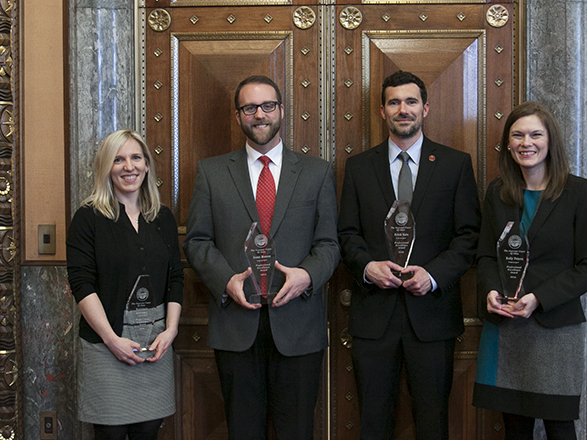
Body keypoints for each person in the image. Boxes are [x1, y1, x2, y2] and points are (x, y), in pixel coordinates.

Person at [183, 75, 340, 440]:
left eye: (268, 106)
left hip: (298, 325)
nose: (260, 115)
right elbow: (197, 241)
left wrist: (307, 276)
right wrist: (226, 280)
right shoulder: (211, 172)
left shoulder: (317, 173)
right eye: (250, 108)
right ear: (238, 116)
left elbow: (330, 244)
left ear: (281, 111)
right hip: (237, 325)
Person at [337, 70, 481, 439]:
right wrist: (368, 267)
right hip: (374, 317)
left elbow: (469, 236)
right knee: (373, 421)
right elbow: (347, 234)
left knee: (433, 422)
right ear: (382, 112)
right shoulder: (358, 167)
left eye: (411, 101)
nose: (403, 109)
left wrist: (432, 276)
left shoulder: (455, 164)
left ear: (425, 108)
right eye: (394, 102)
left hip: (431, 318)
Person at [471, 101, 587, 440]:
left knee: (559, 427)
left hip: (554, 328)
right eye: (517, 135)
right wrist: (490, 290)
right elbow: (485, 257)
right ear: (508, 143)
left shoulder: (578, 192)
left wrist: (539, 298)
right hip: (507, 327)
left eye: (535, 134)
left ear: (550, 142)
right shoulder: (497, 193)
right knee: (515, 429)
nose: (525, 143)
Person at [66, 129, 183, 440]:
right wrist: (111, 339)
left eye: (135, 158)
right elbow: (81, 284)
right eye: (118, 160)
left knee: (148, 432)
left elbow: (175, 278)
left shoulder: (163, 218)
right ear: (106, 167)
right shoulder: (87, 218)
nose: (128, 167)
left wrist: (170, 330)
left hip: (155, 343)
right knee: (111, 433)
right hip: (107, 344)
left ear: (146, 165)